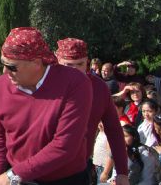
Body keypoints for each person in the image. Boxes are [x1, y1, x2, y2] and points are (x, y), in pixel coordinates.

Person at [0, 27, 93, 185]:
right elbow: (0, 139)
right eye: (3, 64)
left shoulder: (75, 83)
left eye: (11, 67)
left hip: (64, 180)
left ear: (36, 63)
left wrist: (12, 176)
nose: (4, 71)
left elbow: (65, 146)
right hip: (16, 176)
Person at [55, 38, 129, 185]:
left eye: (80, 64)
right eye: (68, 65)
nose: (75, 70)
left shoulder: (99, 88)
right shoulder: (46, 85)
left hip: (78, 171)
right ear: (57, 60)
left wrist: (122, 172)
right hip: (41, 171)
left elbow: (114, 130)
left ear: (87, 62)